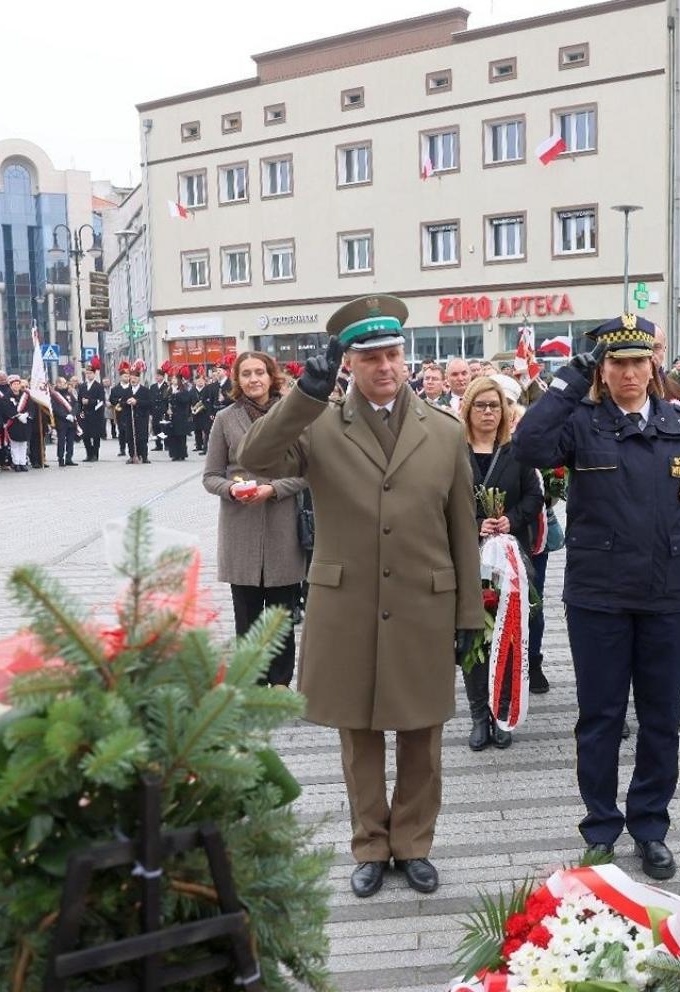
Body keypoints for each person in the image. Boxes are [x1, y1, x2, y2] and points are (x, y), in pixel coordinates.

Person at [237, 294, 480, 900]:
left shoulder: (444, 432)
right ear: (349, 363)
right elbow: (255, 457)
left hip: (425, 602)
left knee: (423, 735)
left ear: (406, 357)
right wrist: (304, 394)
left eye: (393, 354)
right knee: (359, 735)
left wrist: (469, 612)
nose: (385, 367)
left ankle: (414, 845)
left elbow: (462, 531)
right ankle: (370, 844)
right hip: (347, 607)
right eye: (370, 357)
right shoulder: (317, 423)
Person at [514, 313, 680, 879]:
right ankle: (601, 827)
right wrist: (566, 381)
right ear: (602, 370)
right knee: (601, 716)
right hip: (600, 596)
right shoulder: (580, 422)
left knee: (661, 718)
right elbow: (528, 445)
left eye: (637, 361)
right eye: (616, 363)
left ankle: (651, 826)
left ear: (653, 365)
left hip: (671, 595)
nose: (629, 372)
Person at [202, 350, 307, 689]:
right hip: (240, 529)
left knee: (281, 615)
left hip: (282, 526)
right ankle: (251, 681)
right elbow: (211, 475)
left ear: (270, 375)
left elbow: (309, 472)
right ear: (237, 380)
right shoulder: (225, 419)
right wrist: (232, 490)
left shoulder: (289, 415)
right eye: (245, 374)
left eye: (259, 372)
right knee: (247, 617)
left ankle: (279, 682)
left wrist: (274, 489)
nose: (253, 380)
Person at [459, 374, 543, 752]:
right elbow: (438, 502)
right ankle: (479, 716)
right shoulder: (453, 453)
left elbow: (535, 497)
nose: (490, 412)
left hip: (510, 560)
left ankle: (502, 711)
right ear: (469, 409)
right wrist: (475, 524)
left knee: (508, 633)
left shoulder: (517, 450)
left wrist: (513, 517)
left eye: (496, 406)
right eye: (482, 405)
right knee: (473, 637)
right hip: (467, 558)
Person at [0, 376, 34, 472]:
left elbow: (30, 406)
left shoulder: (25, 396)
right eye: (14, 384)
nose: (17, 386)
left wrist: (27, 414)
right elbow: (5, 409)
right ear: (10, 385)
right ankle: (16, 463)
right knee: (15, 444)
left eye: (18, 384)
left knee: (24, 444)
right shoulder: (6, 397)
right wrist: (17, 415)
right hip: (13, 423)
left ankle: (23, 463)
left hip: (24, 423)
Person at [167, 367, 196, 461]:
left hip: (181, 416)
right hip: (171, 416)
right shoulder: (168, 389)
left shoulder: (183, 390)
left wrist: (176, 395)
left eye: (175, 379)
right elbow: (164, 401)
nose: (173, 380)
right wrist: (166, 410)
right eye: (172, 379)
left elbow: (186, 400)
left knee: (181, 436)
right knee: (172, 436)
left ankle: (182, 453)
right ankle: (174, 454)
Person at [80, 359, 106, 462]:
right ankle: (88, 454)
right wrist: (80, 409)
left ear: (94, 374)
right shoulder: (82, 386)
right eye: (87, 373)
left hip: (96, 415)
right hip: (85, 415)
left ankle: (95, 454)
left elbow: (101, 401)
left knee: (95, 436)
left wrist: (90, 402)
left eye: (90, 373)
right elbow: (79, 400)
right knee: (85, 436)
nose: (88, 375)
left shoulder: (99, 386)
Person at [51, 377, 79, 467]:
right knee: (61, 441)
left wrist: (72, 414)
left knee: (70, 441)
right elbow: (55, 408)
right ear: (57, 384)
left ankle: (69, 458)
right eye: (60, 383)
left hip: (71, 421)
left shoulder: (69, 393)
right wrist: (65, 416)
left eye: (64, 383)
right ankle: (60, 459)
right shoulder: (54, 395)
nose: (63, 384)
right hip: (61, 421)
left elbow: (76, 404)